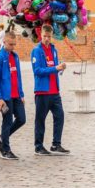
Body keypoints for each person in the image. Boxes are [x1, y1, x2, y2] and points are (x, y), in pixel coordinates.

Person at [32, 24, 70, 156]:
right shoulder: (36, 51)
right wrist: (55, 68)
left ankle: (56, 144)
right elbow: (37, 71)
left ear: (52, 36)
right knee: (40, 120)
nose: (47, 39)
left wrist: (61, 69)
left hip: (55, 91)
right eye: (44, 36)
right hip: (42, 91)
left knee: (60, 116)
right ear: (40, 36)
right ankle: (38, 146)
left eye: (49, 36)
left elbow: (55, 69)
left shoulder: (54, 50)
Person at [0, 31, 26, 160]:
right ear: (4, 42)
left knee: (22, 119)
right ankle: (5, 149)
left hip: (16, 95)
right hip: (6, 96)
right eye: (10, 44)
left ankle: (0, 138)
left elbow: (18, 76)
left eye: (14, 44)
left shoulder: (15, 56)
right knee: (7, 122)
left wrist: (21, 94)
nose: (13, 46)